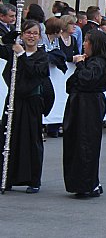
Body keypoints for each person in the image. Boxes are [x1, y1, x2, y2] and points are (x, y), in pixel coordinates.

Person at [63, 29, 106, 197]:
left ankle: (87, 183)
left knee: (86, 143)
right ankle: (83, 182)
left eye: (87, 41)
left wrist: (80, 64)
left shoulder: (99, 62)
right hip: (80, 103)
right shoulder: (92, 61)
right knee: (77, 142)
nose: (84, 44)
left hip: (89, 105)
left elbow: (87, 79)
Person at [0, 20, 50, 193]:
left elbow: (35, 73)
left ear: (39, 36)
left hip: (31, 102)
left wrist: (22, 55)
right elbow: (2, 46)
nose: (31, 36)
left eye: (35, 33)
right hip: (13, 101)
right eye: (28, 33)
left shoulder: (42, 56)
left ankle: (34, 180)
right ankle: (6, 177)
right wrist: (12, 34)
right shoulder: (13, 51)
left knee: (31, 140)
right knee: (8, 138)